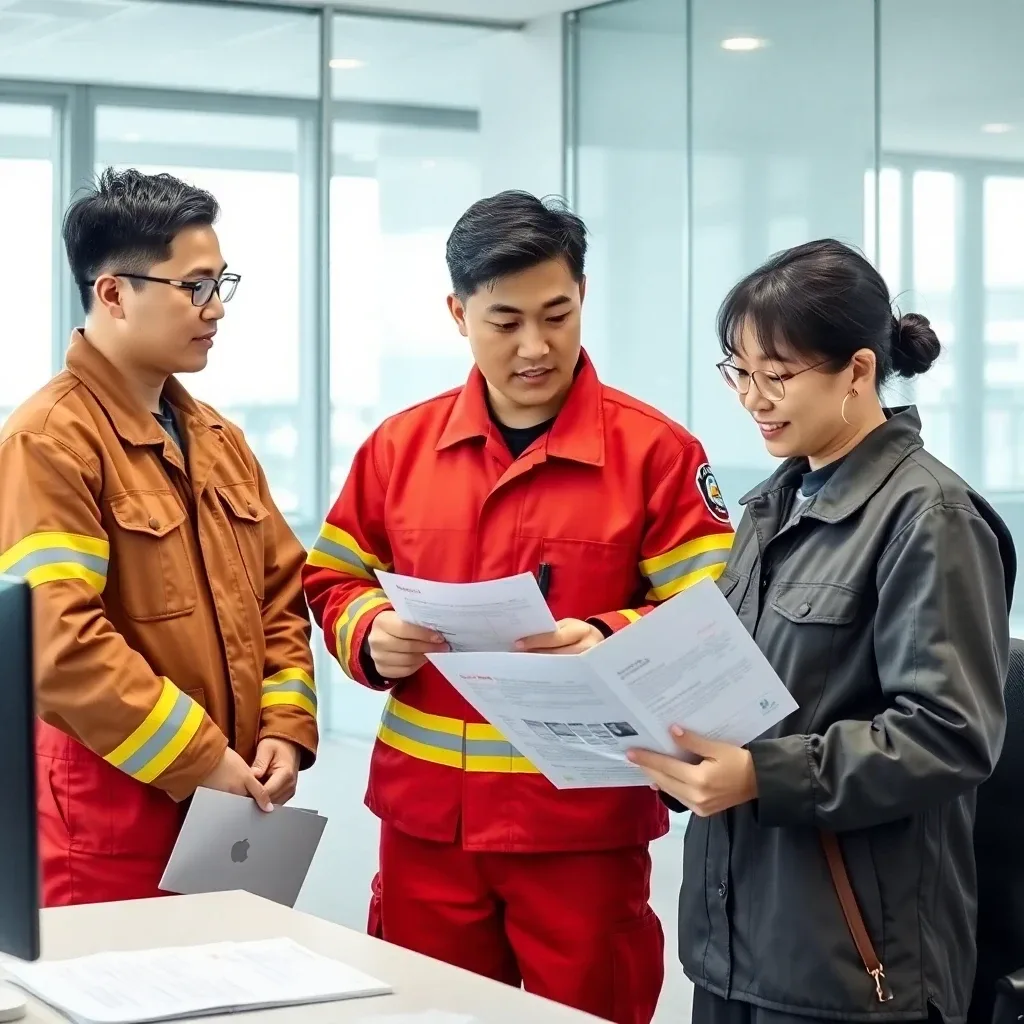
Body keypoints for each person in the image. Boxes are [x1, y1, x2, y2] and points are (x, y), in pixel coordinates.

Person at [303, 190, 735, 1024]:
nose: (535, 347)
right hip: (430, 827)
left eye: (557, 314)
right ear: (458, 312)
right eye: (505, 321)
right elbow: (332, 578)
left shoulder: (657, 453)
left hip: (584, 829)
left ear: (582, 298)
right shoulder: (398, 448)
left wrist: (607, 636)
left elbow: (715, 612)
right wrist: (371, 632)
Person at [628, 238, 1016, 1024]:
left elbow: (949, 735)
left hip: (851, 968)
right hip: (735, 945)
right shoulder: (774, 505)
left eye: (776, 376)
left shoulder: (929, 518)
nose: (752, 399)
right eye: (738, 372)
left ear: (859, 371)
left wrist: (761, 776)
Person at [0, 168, 318, 906]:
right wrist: (202, 757)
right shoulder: (48, 442)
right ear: (114, 293)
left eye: (220, 285)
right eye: (195, 287)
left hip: (232, 805)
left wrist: (286, 727)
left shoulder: (219, 438)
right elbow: (61, 647)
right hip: (114, 822)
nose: (216, 310)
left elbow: (280, 602)